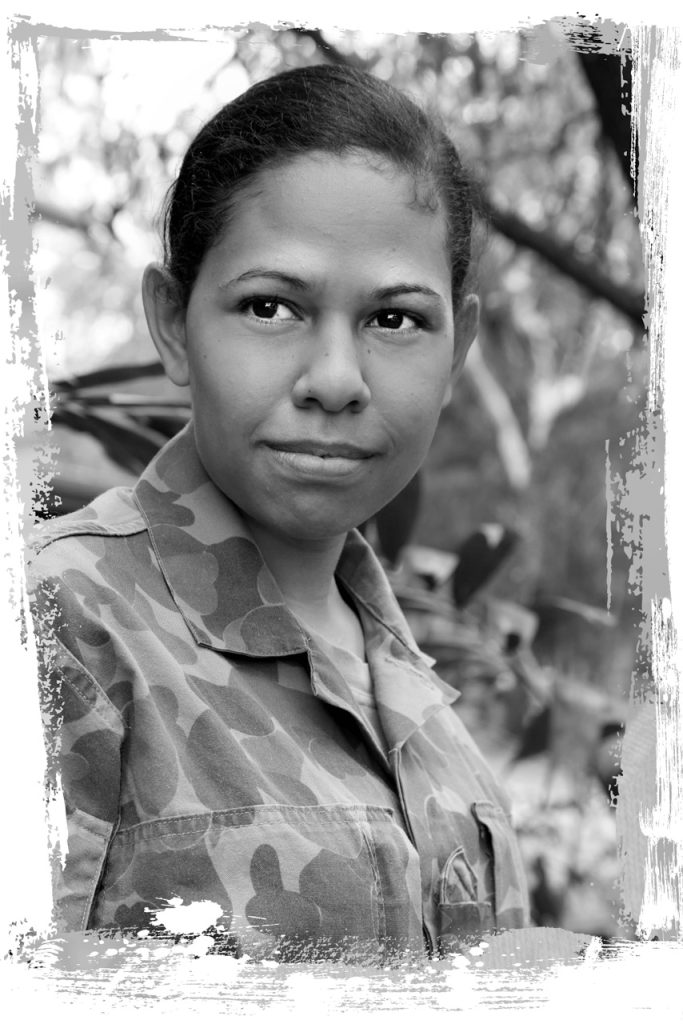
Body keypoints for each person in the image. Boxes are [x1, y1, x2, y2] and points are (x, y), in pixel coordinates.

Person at [29, 63, 529, 962]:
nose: (334, 380)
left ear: (457, 351)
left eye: (394, 320)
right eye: (270, 306)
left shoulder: (433, 719)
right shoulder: (59, 627)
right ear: (174, 323)